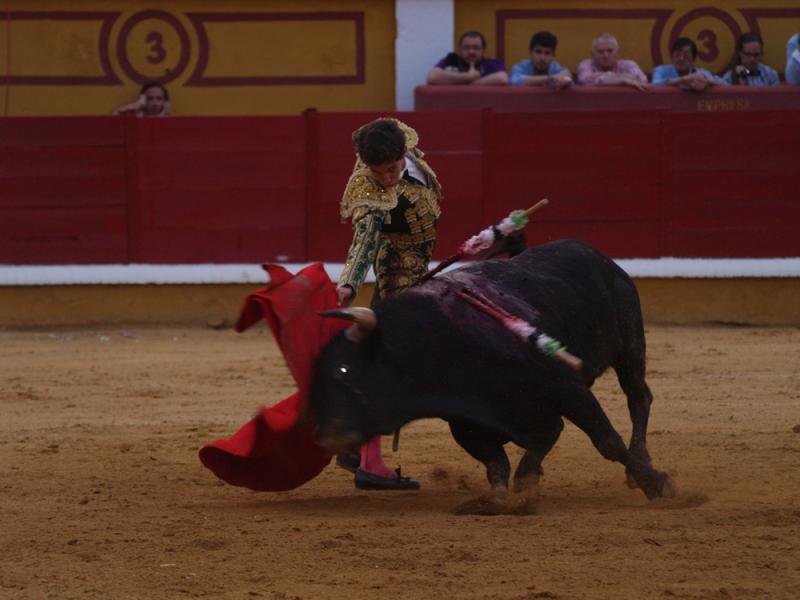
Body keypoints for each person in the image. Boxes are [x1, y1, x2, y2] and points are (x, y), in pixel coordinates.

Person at [335, 118, 443, 490]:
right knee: (392, 359)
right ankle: (370, 462)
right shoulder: (369, 192)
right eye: (378, 173)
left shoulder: (401, 142)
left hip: (418, 261)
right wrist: (349, 282)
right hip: (398, 266)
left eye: (393, 169)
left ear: (403, 154)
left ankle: (354, 444)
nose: (386, 180)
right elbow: (363, 241)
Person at [427, 31, 508, 86]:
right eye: (466, 48)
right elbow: (432, 77)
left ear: (483, 51)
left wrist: (469, 84)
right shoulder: (451, 60)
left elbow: (502, 78)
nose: (471, 52)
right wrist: (468, 76)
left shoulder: (492, 63)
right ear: (460, 50)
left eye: (476, 48)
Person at [577, 33, 649, 90]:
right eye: (600, 52)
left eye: (610, 51)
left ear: (617, 53)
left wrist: (606, 78)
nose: (605, 55)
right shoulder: (586, 64)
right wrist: (623, 80)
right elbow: (585, 80)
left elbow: (641, 79)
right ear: (592, 54)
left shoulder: (628, 64)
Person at [651, 37, 725, 90]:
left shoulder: (700, 72)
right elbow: (655, 84)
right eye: (677, 55)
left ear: (694, 58)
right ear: (672, 57)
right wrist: (684, 79)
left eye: (686, 55)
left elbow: (724, 85)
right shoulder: (660, 70)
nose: (681, 59)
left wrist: (706, 82)